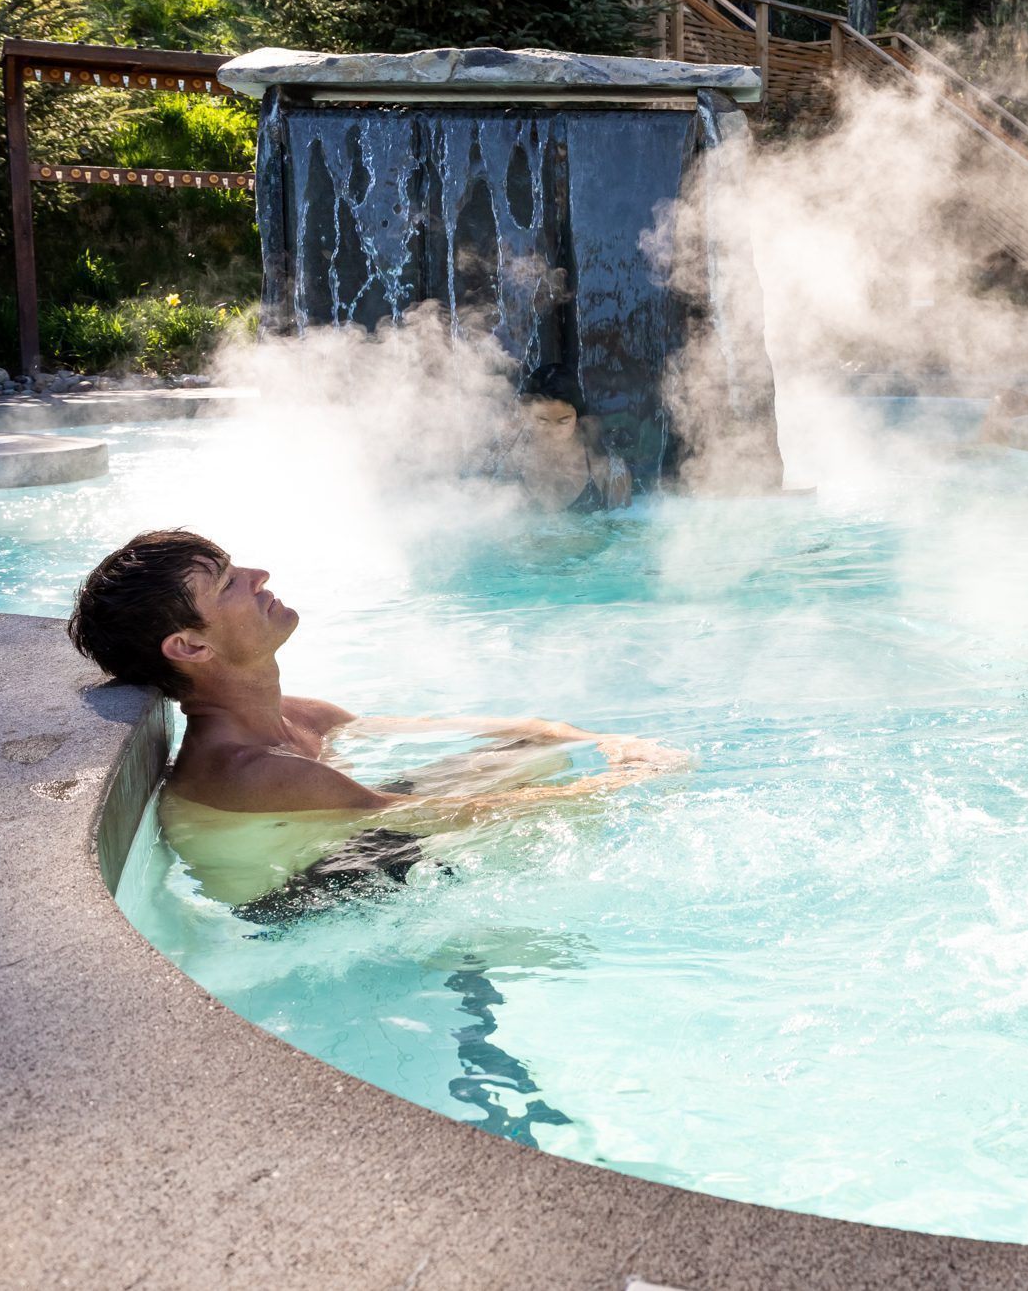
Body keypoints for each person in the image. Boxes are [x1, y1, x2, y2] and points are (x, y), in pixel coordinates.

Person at [68, 529, 686, 906]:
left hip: (355, 837)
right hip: (314, 899)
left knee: (532, 750)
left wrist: (595, 738)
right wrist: (627, 784)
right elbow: (449, 817)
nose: (260, 577)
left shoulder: (306, 715)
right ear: (190, 647)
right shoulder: (250, 771)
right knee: (546, 822)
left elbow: (435, 730)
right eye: (229, 582)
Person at [491, 362, 633, 513]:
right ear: (527, 414)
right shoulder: (510, 463)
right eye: (542, 420)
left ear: (577, 418)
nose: (552, 430)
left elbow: (623, 526)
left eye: (563, 421)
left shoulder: (606, 470)